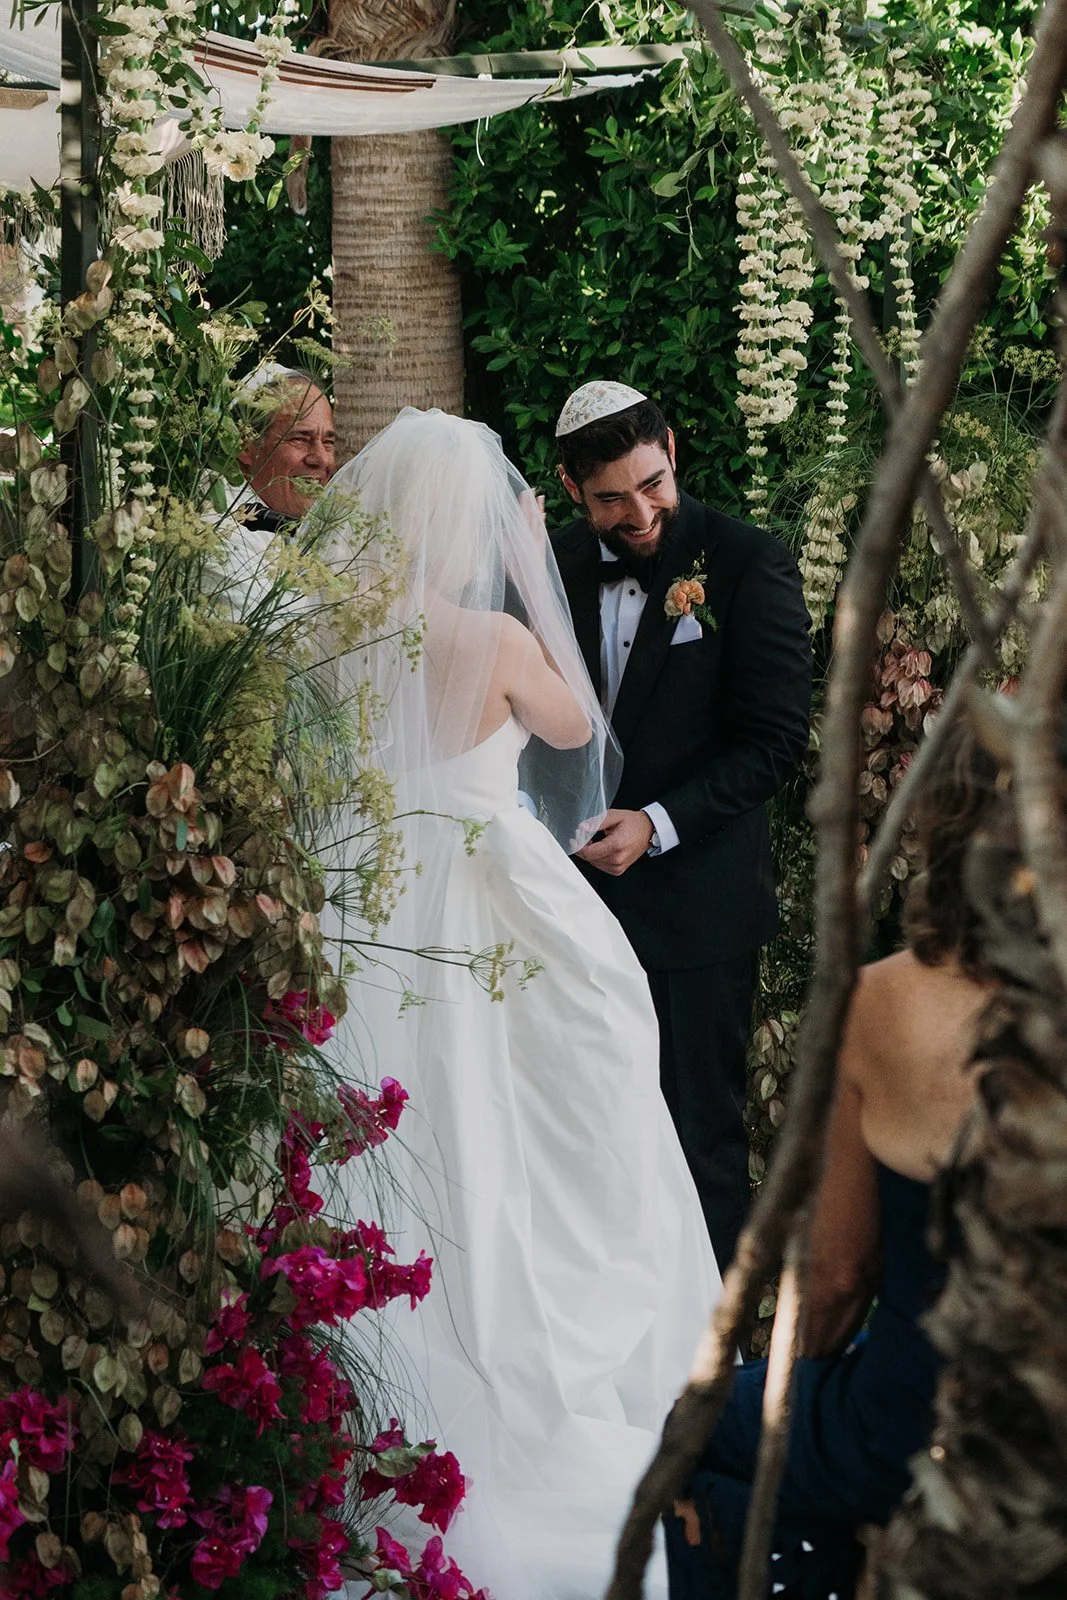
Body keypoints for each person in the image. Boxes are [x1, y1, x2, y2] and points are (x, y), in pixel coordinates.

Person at [319, 408, 722, 1600]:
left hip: (375, 892)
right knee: (541, 1114)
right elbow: (571, 725)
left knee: (404, 1127)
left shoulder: (334, 635)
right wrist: (528, 597)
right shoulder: (494, 636)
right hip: (491, 899)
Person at [664, 713, 1000, 1599]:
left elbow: (841, 1273)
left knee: (694, 1428)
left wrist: (789, 1384)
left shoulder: (884, 1001)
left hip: (918, 1430)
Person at [550, 382, 813, 1269]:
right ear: (569, 488)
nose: (638, 513)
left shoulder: (746, 562)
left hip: (696, 912)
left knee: (697, 1135)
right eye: (611, 499)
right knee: (588, 1135)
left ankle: (719, 1361)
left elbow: (774, 744)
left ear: (672, 447)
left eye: (652, 484)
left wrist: (656, 824)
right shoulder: (551, 566)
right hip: (570, 913)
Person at [235, 363, 336, 529]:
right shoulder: (218, 530)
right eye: (300, 439)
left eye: (328, 442)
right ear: (245, 446)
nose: (322, 459)